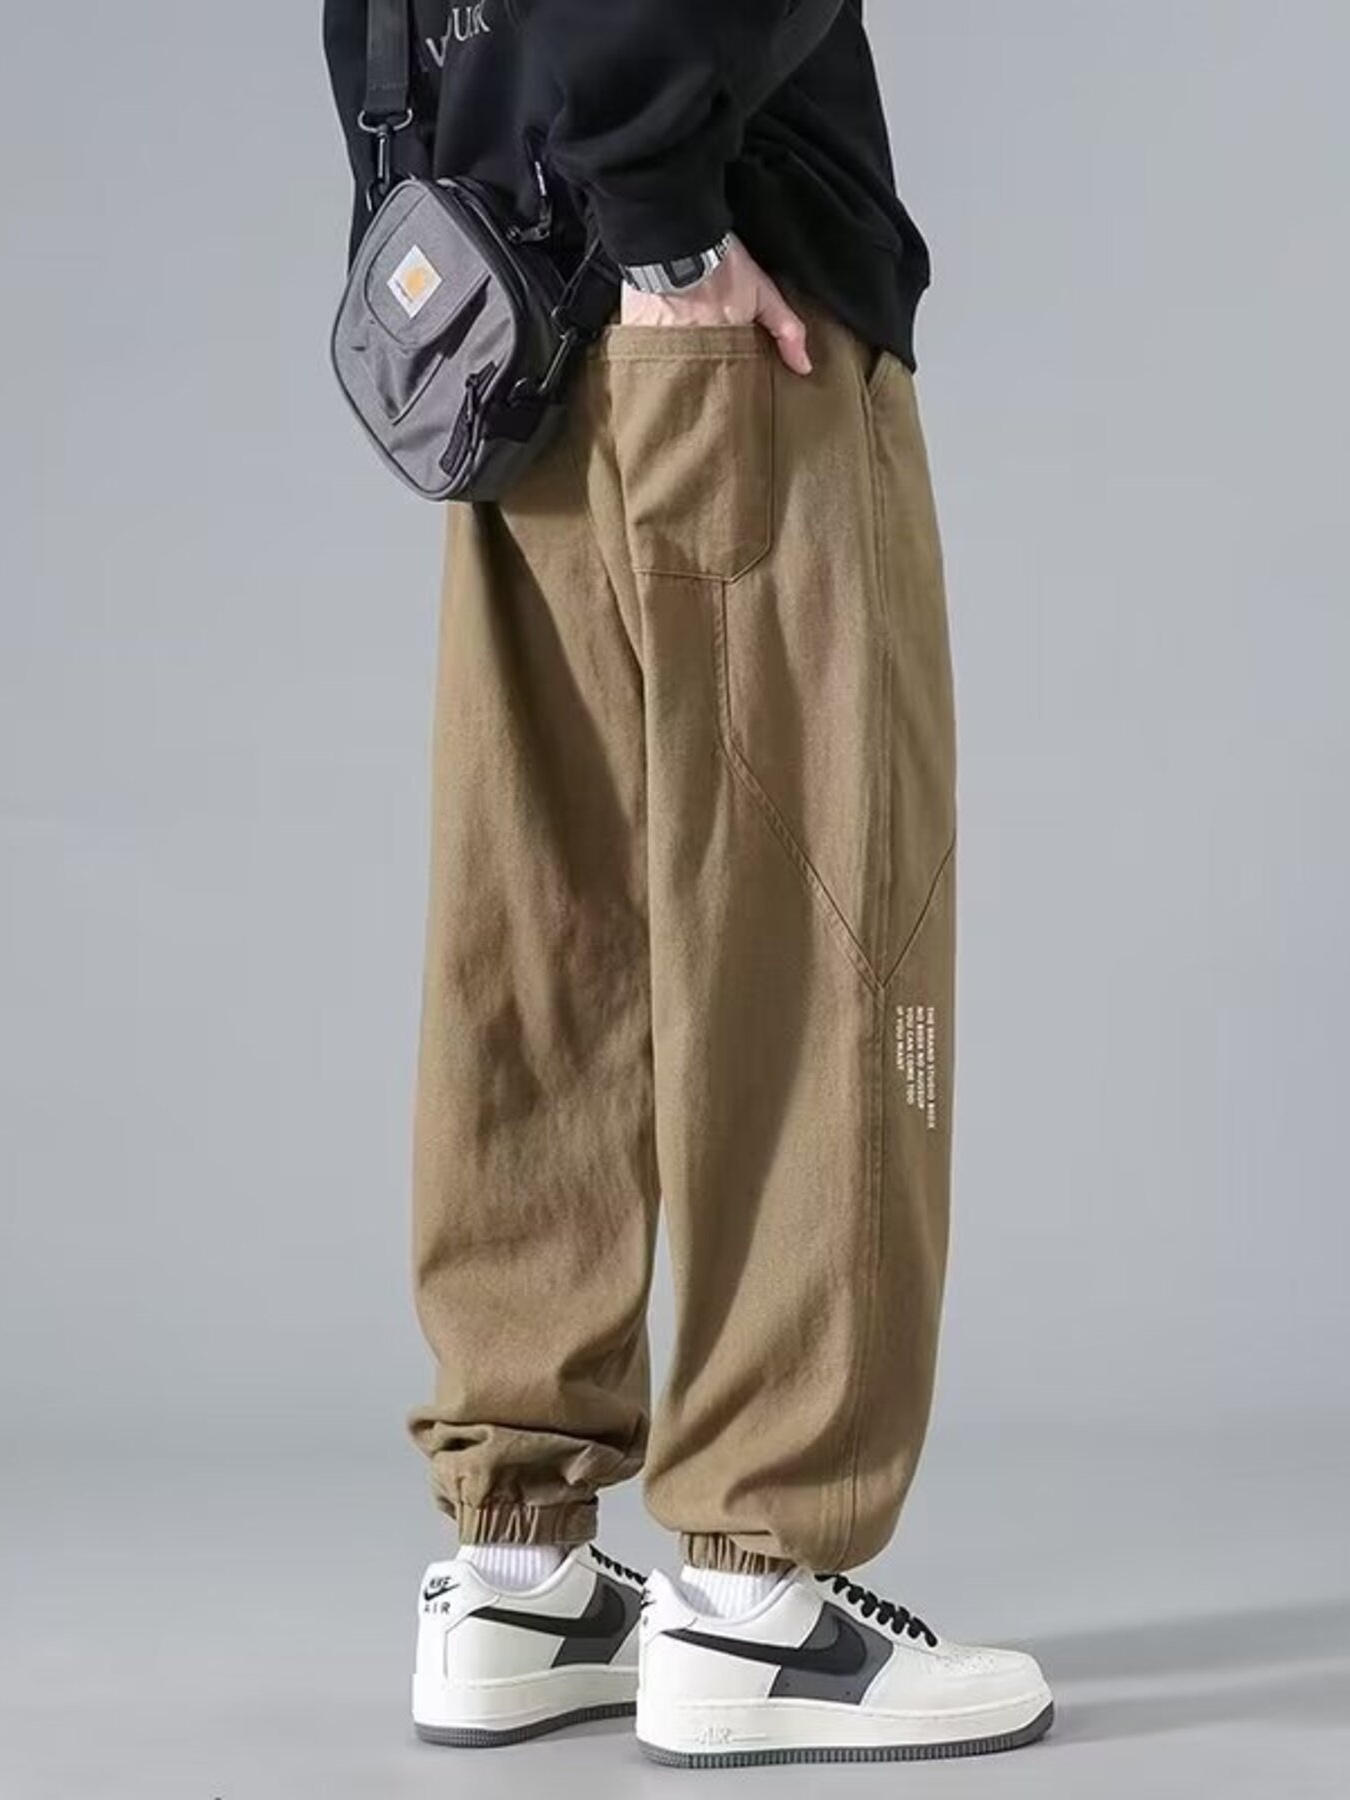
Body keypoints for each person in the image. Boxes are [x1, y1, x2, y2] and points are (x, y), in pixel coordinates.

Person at [324, 0, 1053, 1768]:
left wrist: (424, 194)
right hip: (713, 299)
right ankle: (753, 1601)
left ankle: (519, 1576)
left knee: (542, 941)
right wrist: (660, 218)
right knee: (815, 943)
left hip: (498, 299)